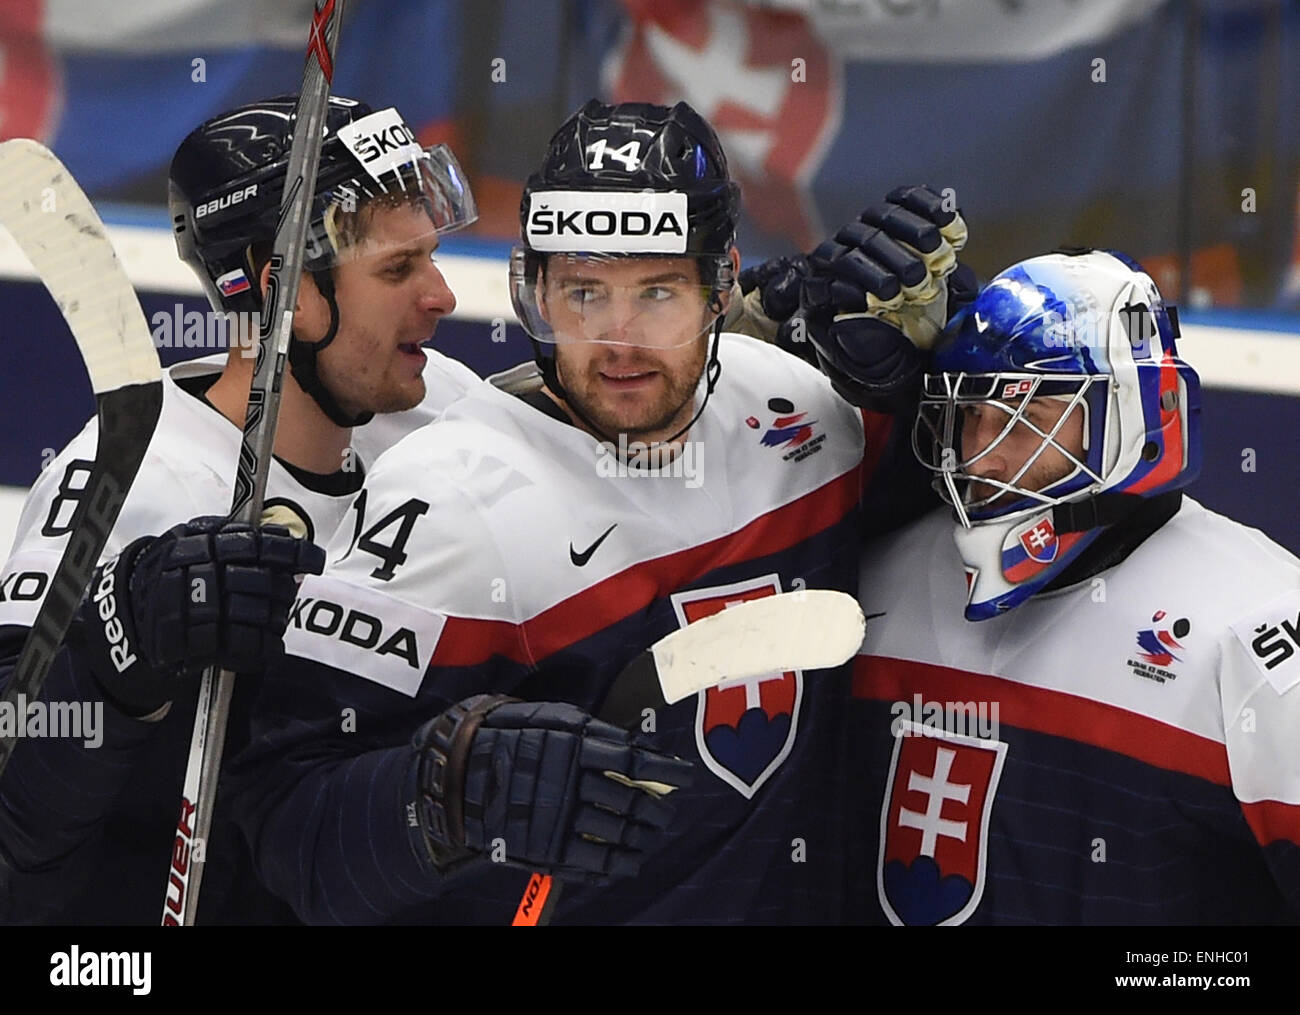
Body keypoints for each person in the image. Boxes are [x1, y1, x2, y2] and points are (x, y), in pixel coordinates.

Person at [226, 98, 971, 925]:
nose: (620, 342)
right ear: (535, 289)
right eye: (584, 291)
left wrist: (938, 362)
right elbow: (291, 826)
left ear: (721, 287)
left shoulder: (802, 407)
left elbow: (968, 510)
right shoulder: (449, 500)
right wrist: (441, 794)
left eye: (657, 292)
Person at [0, 95, 480, 924]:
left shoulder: (441, 413)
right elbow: (13, 804)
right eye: (398, 270)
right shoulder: (128, 479)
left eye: (431, 258)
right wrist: (124, 642)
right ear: (280, 286)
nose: (440, 296)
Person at [849, 248, 1300, 925]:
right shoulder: (874, 580)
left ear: (1131, 418)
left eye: (1027, 418)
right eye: (970, 415)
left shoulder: (1260, 631)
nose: (982, 454)